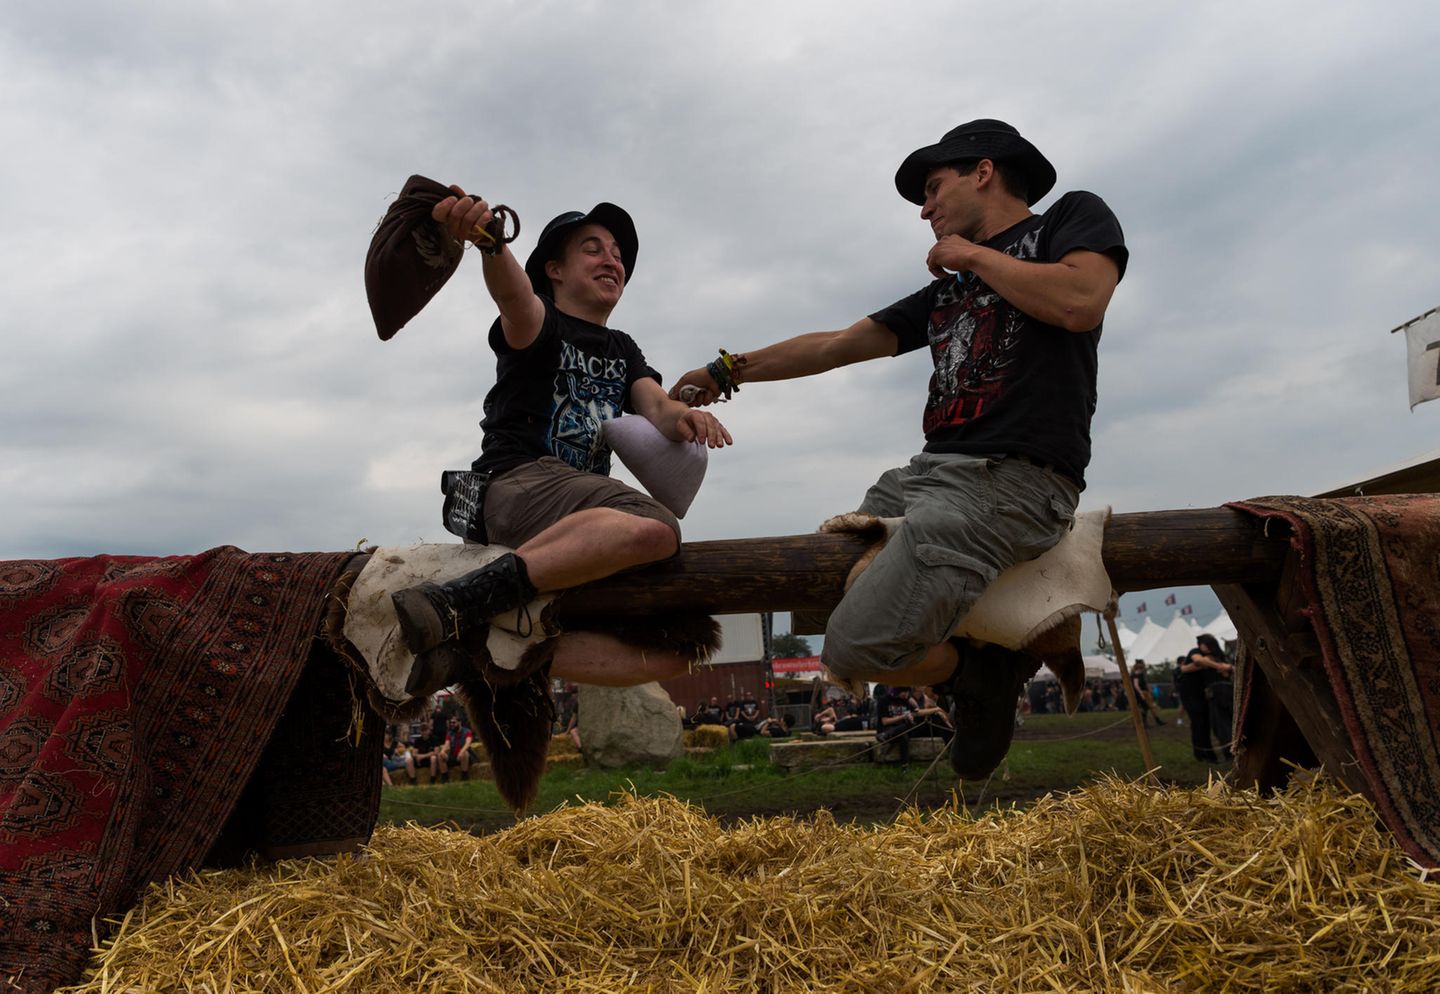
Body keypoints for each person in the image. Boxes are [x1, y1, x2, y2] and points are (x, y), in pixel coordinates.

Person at [670, 119, 1126, 781]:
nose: (924, 206)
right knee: (832, 569)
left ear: (984, 171)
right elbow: (836, 344)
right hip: (927, 476)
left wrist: (972, 258)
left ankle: (982, 675)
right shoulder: (945, 292)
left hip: (1015, 479)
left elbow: (1083, 301)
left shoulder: (1068, 219)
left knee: (851, 648)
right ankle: (976, 658)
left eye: (934, 186)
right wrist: (728, 368)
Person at [389, 190, 732, 695]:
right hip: (520, 484)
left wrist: (686, 416)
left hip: (581, 515)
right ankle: (457, 603)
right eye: (592, 249)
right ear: (553, 269)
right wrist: (490, 243)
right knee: (657, 527)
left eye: (617, 254)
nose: (611, 259)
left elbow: (657, 406)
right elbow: (514, 297)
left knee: (685, 648)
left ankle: (479, 651)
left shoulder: (623, 348)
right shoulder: (541, 323)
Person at [1189, 634, 1235, 760]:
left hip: (1218, 691)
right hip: (1225, 690)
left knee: (1221, 724)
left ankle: (1231, 753)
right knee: (1227, 722)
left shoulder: (1212, 657)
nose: (1200, 646)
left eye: (1202, 644)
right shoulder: (1220, 657)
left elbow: (1196, 663)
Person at [1129, 659, 1165, 727]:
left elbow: (1144, 684)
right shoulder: (1137, 674)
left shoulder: (1138, 674)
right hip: (1142, 693)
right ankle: (1144, 723)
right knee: (1146, 707)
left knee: (1147, 707)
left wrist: (1149, 690)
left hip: (1143, 692)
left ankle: (1151, 721)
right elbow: (1136, 685)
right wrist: (1141, 693)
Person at [443, 715, 474, 781]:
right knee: (440, 755)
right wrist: (442, 751)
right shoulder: (449, 733)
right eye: (451, 723)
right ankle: (445, 777)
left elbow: (468, 743)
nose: (452, 724)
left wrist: (461, 752)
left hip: (466, 757)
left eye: (454, 722)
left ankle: (464, 775)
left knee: (464, 753)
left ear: (459, 722)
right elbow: (446, 744)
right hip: (454, 756)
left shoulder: (467, 731)